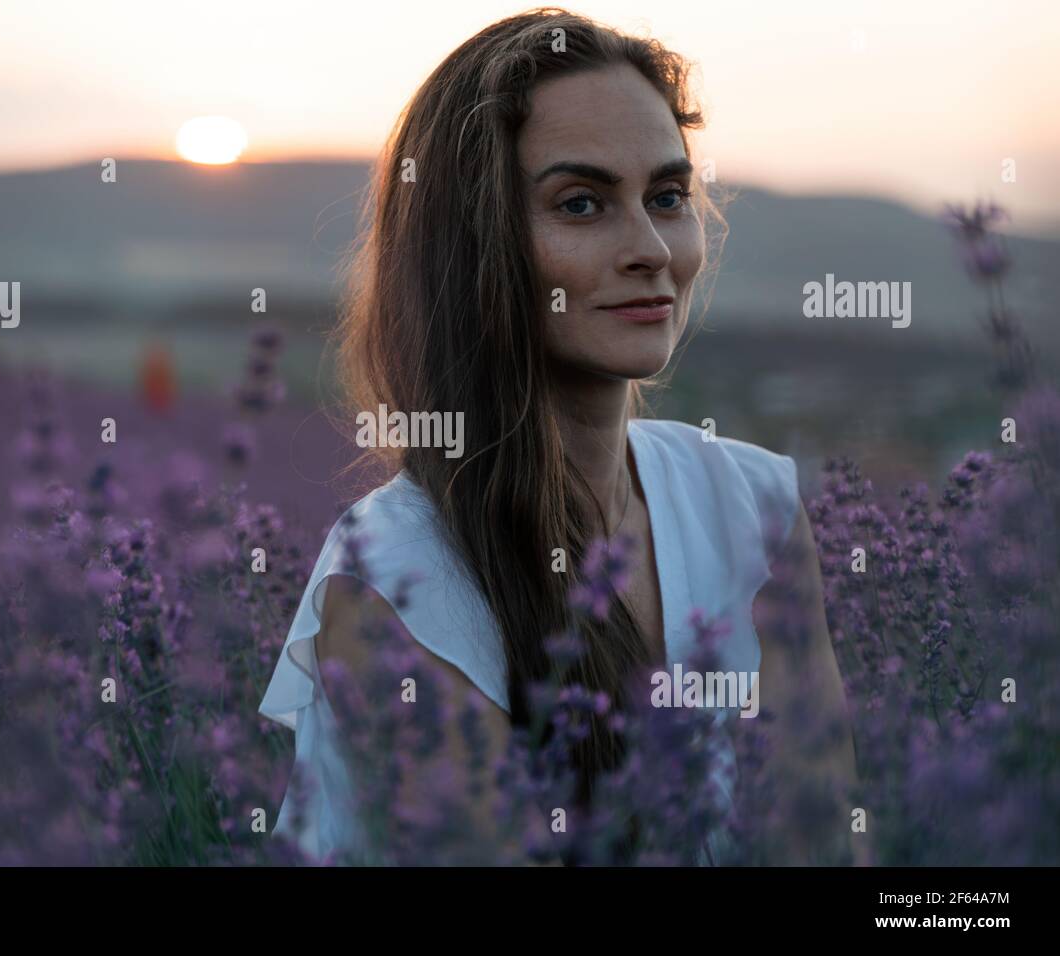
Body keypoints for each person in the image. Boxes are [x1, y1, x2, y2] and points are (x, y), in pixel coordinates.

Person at [259, 8, 859, 866]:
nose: (651, 248)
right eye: (581, 204)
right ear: (473, 248)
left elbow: (829, 842)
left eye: (666, 197)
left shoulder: (754, 506)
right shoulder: (394, 578)